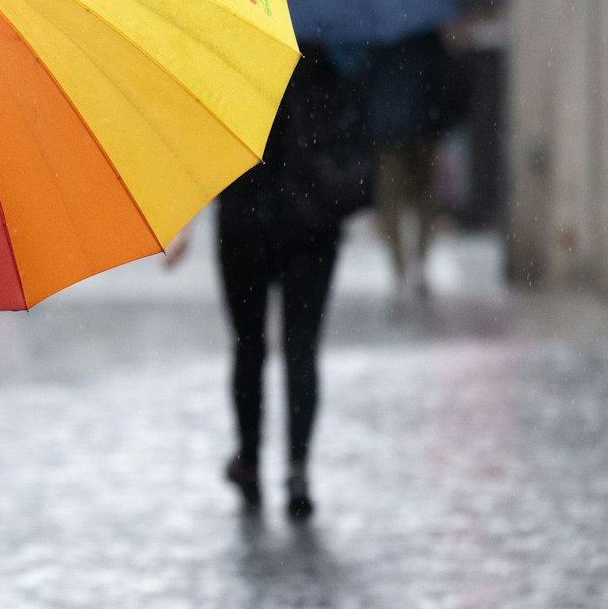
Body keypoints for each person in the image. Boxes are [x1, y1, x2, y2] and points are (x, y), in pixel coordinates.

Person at [168, 46, 372, 520]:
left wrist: (187, 217)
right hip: (312, 229)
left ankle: (251, 461)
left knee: (249, 347)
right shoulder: (329, 74)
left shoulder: (235, 68)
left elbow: (208, 147)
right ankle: (298, 469)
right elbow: (354, 152)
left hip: (246, 227)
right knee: (301, 348)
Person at [365, 31, 460, 303]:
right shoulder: (426, 32)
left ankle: (402, 266)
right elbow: (443, 75)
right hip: (420, 123)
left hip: (392, 127)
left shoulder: (379, 34)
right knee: (421, 196)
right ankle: (416, 262)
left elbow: (364, 74)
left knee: (394, 198)